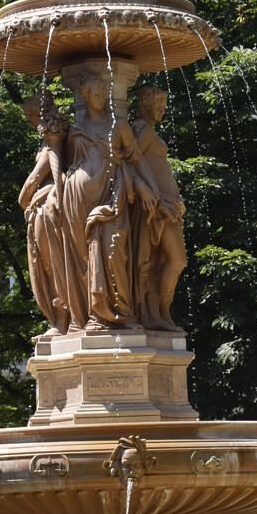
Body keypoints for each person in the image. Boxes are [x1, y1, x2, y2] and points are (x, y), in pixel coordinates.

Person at [61, 73, 159, 330]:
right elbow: (66, 165)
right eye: (95, 94)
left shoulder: (119, 126)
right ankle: (91, 316)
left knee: (114, 249)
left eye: (103, 94)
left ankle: (121, 314)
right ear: (84, 95)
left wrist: (150, 189)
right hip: (77, 198)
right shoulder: (75, 130)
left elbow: (136, 160)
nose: (100, 98)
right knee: (83, 258)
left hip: (112, 196)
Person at [132, 87, 187, 332]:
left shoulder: (149, 129)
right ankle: (161, 313)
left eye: (165, 103)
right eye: (158, 103)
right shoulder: (142, 130)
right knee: (176, 260)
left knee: (162, 261)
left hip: (168, 205)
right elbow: (128, 163)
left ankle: (160, 314)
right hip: (158, 207)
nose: (163, 108)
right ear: (144, 104)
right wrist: (156, 198)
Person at [18, 91, 70, 335]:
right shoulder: (52, 137)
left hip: (48, 210)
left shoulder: (52, 138)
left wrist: (23, 199)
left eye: (31, 118)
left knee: (52, 264)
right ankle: (61, 320)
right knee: (49, 264)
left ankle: (62, 321)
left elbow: (34, 178)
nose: (32, 124)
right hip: (44, 207)